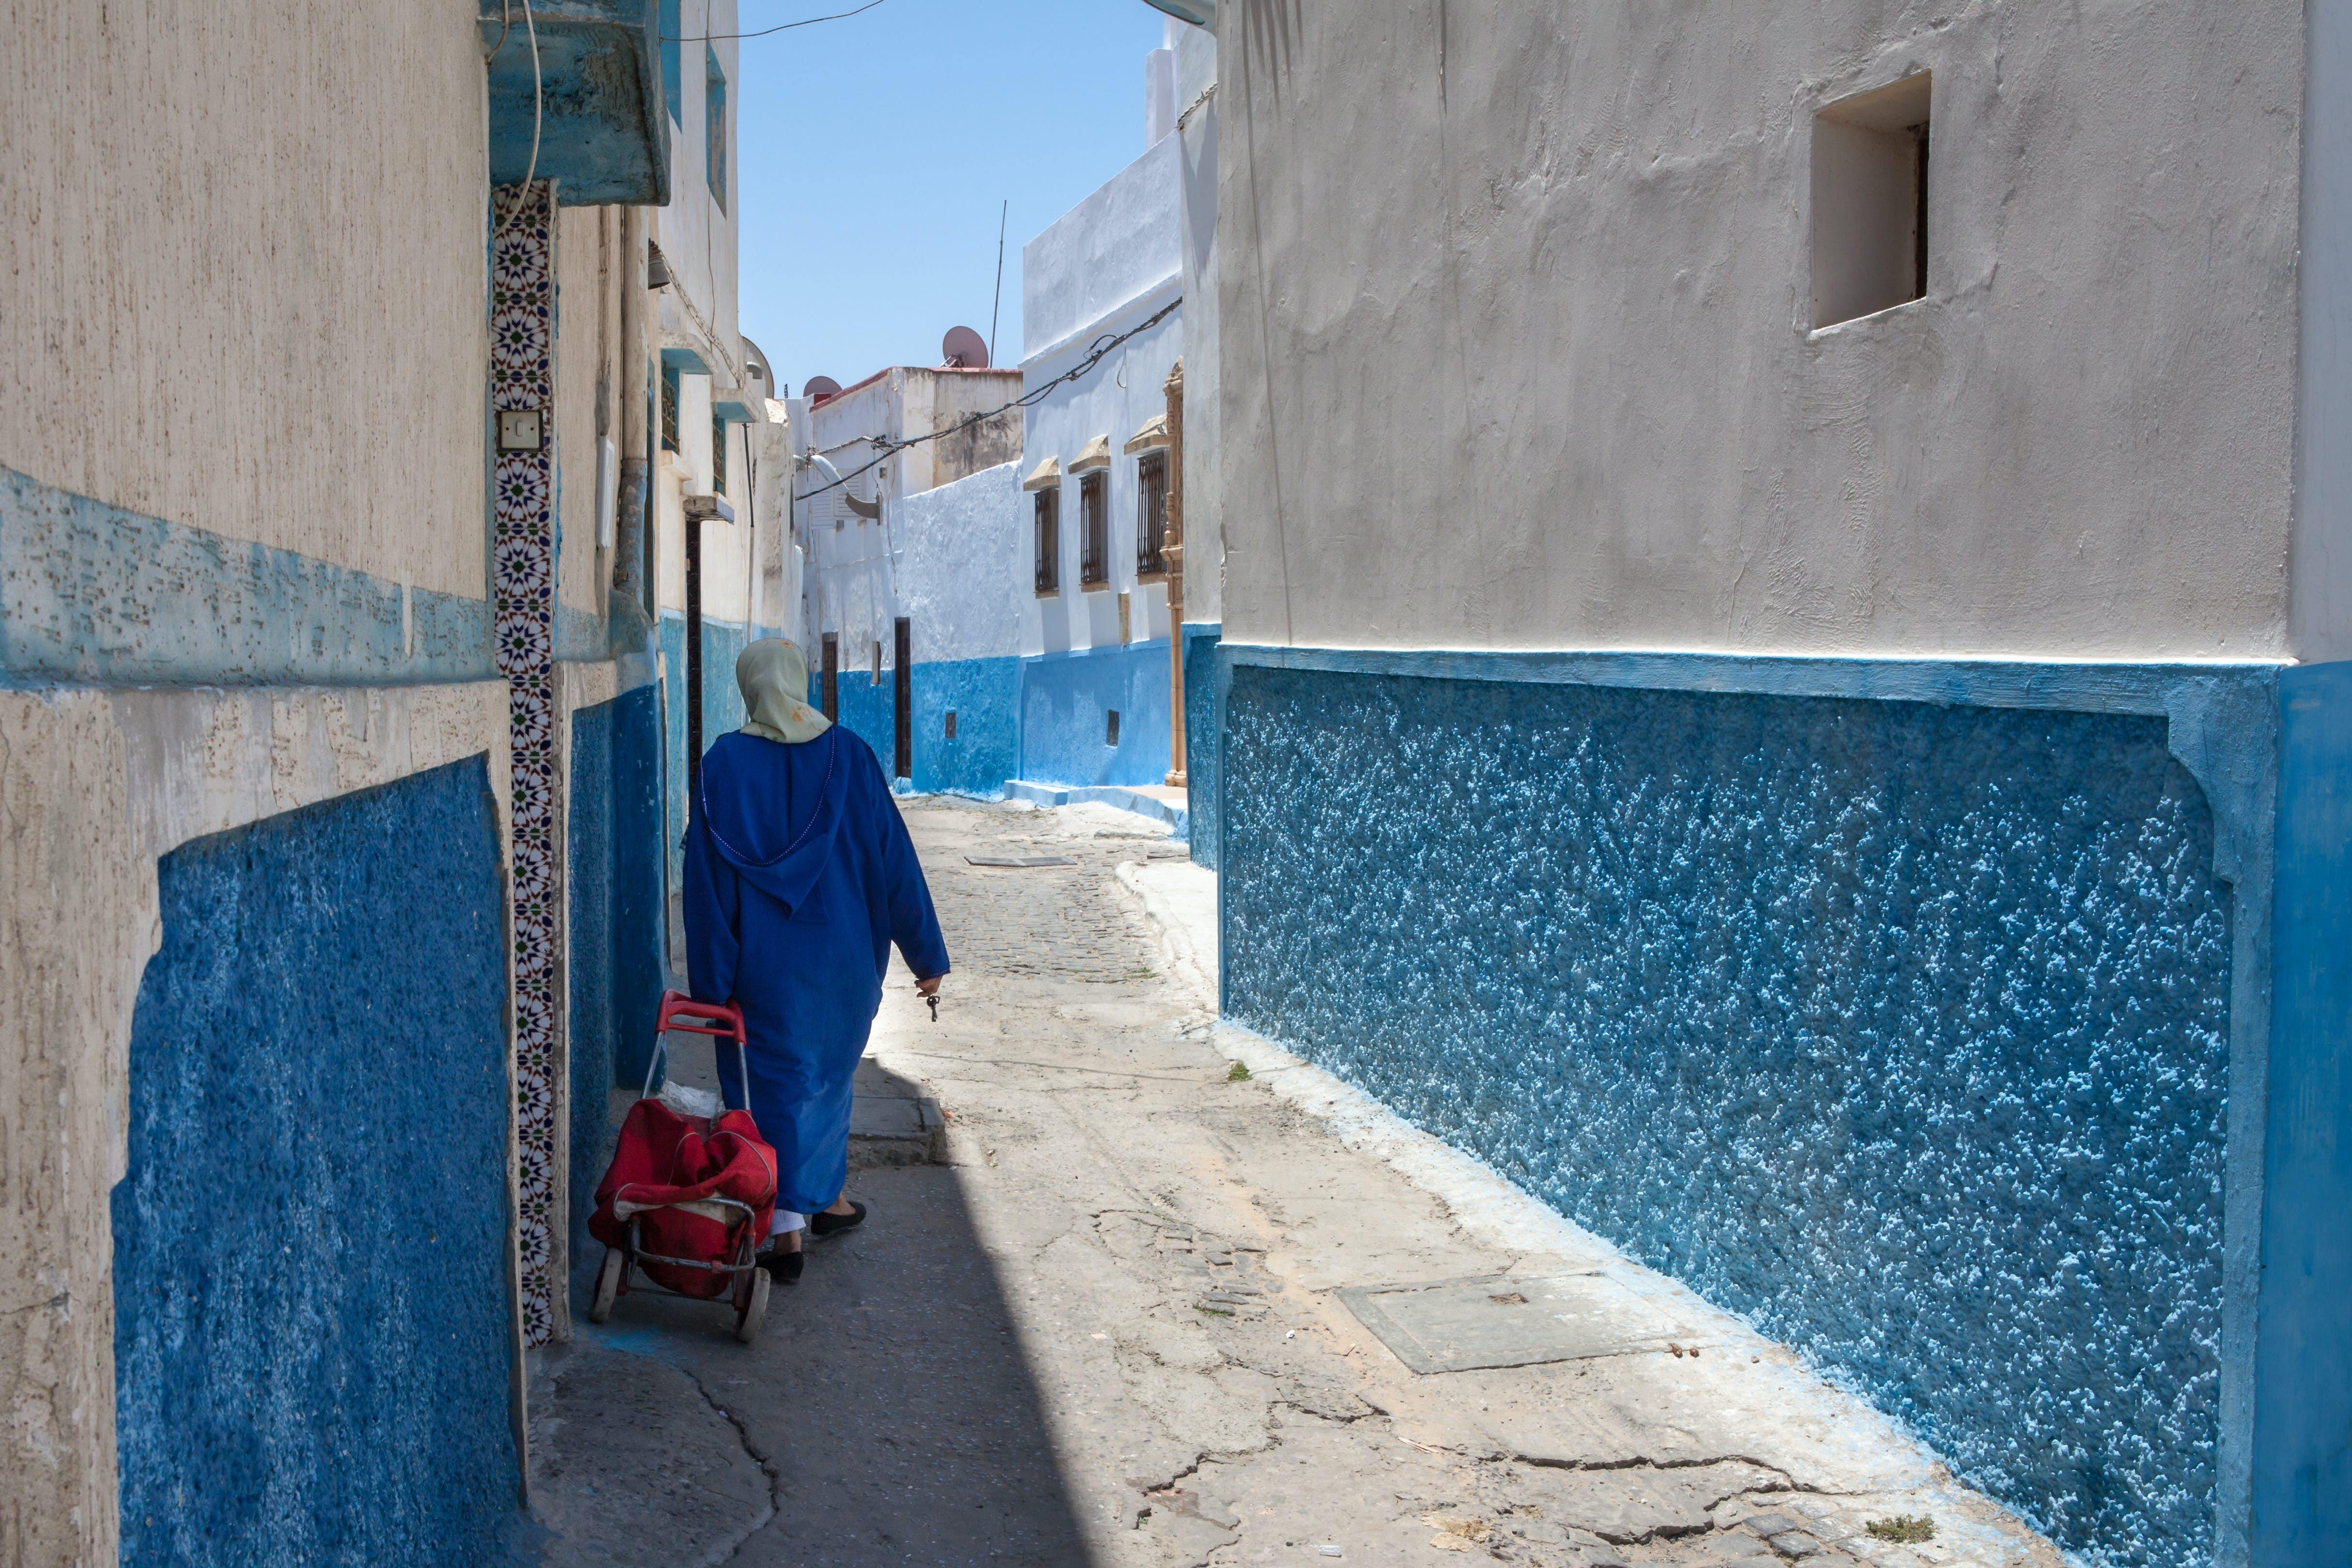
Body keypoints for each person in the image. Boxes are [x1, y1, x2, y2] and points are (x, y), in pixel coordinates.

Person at [683, 639, 950, 1283]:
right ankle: (814, 1206)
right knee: (826, 1085)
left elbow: (705, 885)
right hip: (844, 967)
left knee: (763, 1086)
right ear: (799, 683)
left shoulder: (722, 764)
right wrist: (926, 957)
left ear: (750, 687)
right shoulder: (851, 757)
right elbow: (895, 864)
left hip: (760, 968)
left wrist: (712, 983)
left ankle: (786, 1223)